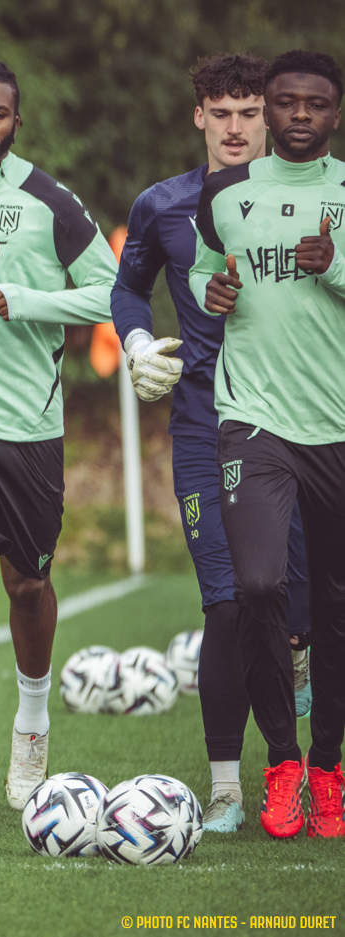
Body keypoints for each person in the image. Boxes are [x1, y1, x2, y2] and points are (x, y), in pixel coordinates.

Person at [111, 53, 312, 833]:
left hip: (300, 419)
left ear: (271, 116)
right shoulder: (162, 205)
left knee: (301, 605)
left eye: (248, 112)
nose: (235, 126)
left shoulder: (311, 202)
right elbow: (128, 287)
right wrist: (136, 342)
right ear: (199, 116)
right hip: (205, 423)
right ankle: (227, 785)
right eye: (220, 112)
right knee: (227, 602)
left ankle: (308, 738)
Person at [0, 59, 117, 817]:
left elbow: (114, 292)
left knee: (28, 584)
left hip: (30, 426)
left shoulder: (49, 201)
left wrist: (24, 300)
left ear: (15, 121)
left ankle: (32, 727)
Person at [192, 49, 344, 839]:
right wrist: (210, 290)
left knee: (336, 604)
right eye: (285, 101)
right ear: (268, 109)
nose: (299, 114)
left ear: (336, 113)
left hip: (338, 424)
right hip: (253, 417)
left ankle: (329, 767)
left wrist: (336, 266)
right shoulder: (225, 193)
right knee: (256, 585)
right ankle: (282, 761)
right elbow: (201, 273)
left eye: (315, 103)